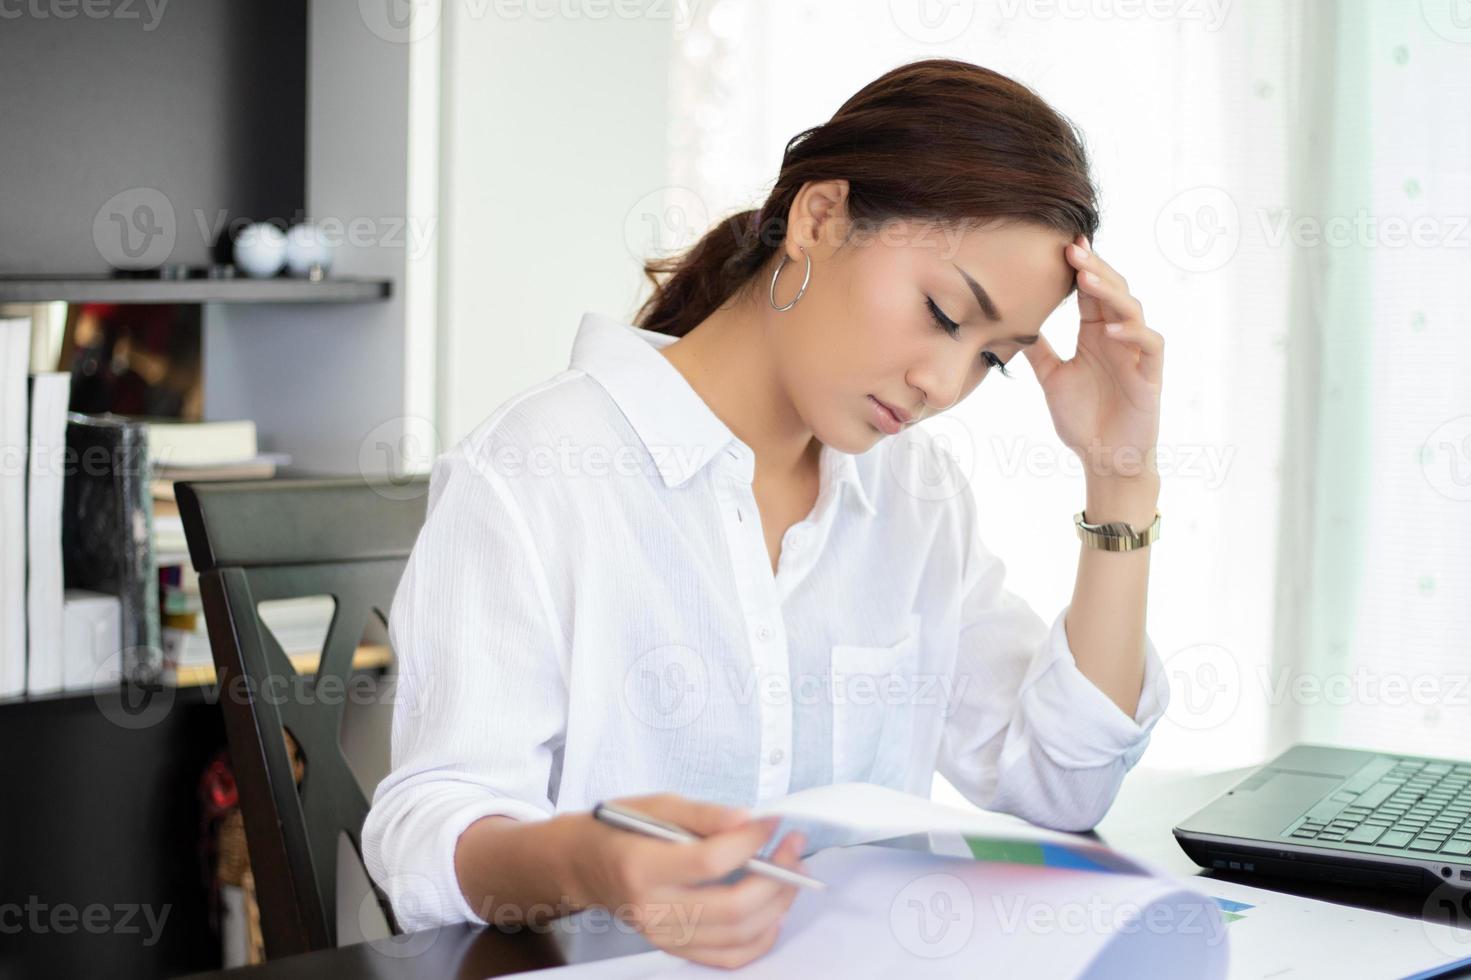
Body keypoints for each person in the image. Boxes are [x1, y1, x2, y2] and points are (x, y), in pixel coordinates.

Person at [363, 56, 1168, 969]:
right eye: (945, 316)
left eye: (994, 359)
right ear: (819, 219)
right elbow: (430, 834)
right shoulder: (536, 471)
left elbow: (1061, 782)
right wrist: (597, 861)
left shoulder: (914, 497)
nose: (943, 384)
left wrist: (1119, 476)